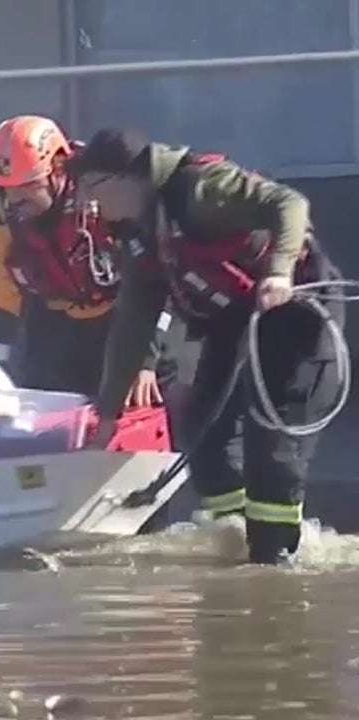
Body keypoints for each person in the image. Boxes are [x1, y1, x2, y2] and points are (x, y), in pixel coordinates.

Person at [66, 127, 346, 565]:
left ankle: (275, 564)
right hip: (235, 315)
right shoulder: (141, 231)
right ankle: (233, 545)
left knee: (270, 445)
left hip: (296, 304)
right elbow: (132, 325)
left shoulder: (200, 189)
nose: (90, 203)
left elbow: (289, 204)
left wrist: (278, 270)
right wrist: (107, 418)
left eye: (92, 187)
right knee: (204, 432)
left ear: (125, 177)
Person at [0, 114, 196, 412]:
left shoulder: (108, 195)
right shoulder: (5, 216)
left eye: (26, 191)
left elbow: (158, 278)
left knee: (151, 403)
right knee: (47, 415)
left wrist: (144, 361)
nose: (14, 203)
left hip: (129, 314)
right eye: (6, 191)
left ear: (56, 170)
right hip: (58, 319)